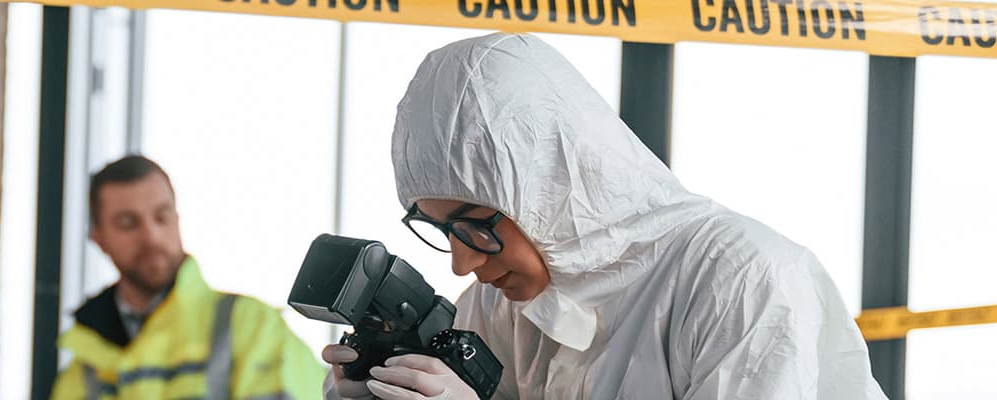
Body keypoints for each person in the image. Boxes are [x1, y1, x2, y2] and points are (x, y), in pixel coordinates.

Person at [321, 33, 886, 399]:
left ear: (552, 183)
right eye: (443, 231)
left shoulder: (741, 279)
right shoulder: (502, 299)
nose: (462, 264)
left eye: (476, 226)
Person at [53, 155, 325, 400]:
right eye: (128, 223)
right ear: (99, 239)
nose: (152, 236)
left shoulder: (252, 327)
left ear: (177, 219)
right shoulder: (83, 367)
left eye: (162, 217)